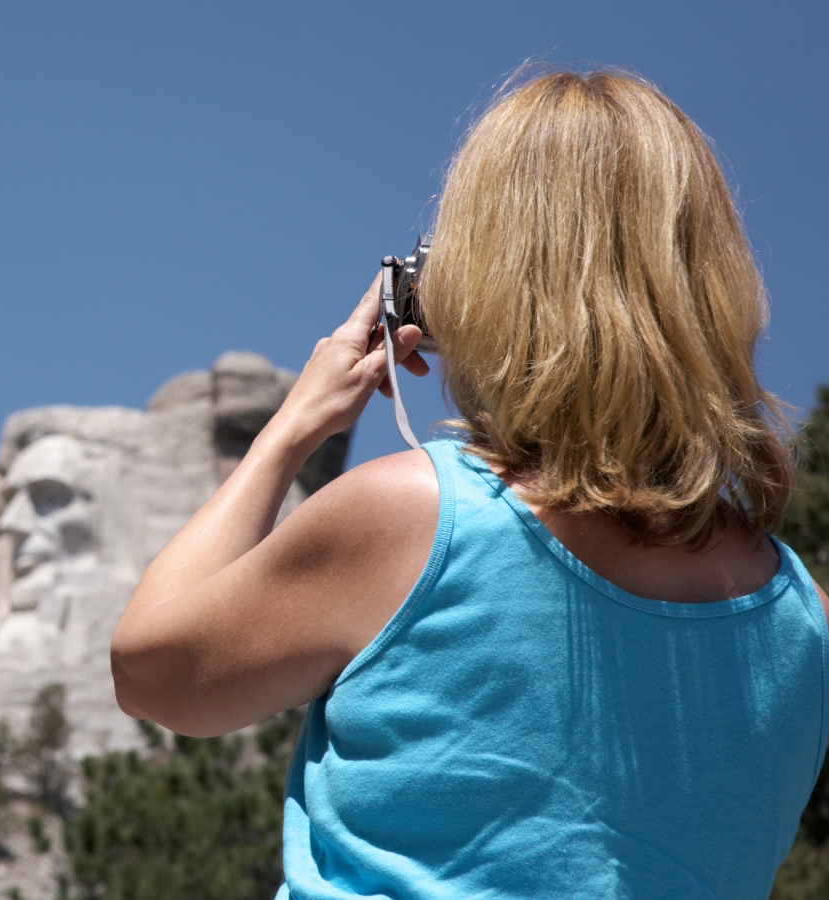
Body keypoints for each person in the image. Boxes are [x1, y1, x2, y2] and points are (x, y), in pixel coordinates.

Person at [110, 69, 827, 898]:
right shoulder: (804, 624)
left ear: (486, 278)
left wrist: (294, 424)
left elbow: (150, 674)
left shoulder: (410, 518)